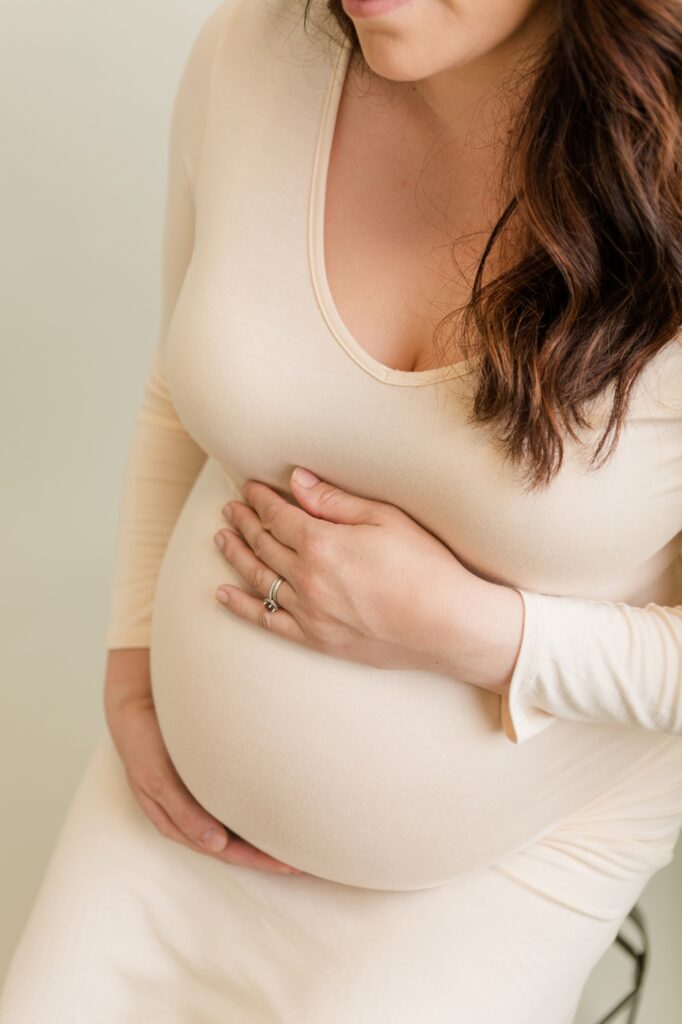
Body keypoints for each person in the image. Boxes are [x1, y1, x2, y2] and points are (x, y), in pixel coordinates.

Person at [1, 0, 681, 1020]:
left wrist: (466, 630)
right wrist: (133, 657)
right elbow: (178, 383)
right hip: (164, 816)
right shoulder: (254, 52)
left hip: (488, 879)